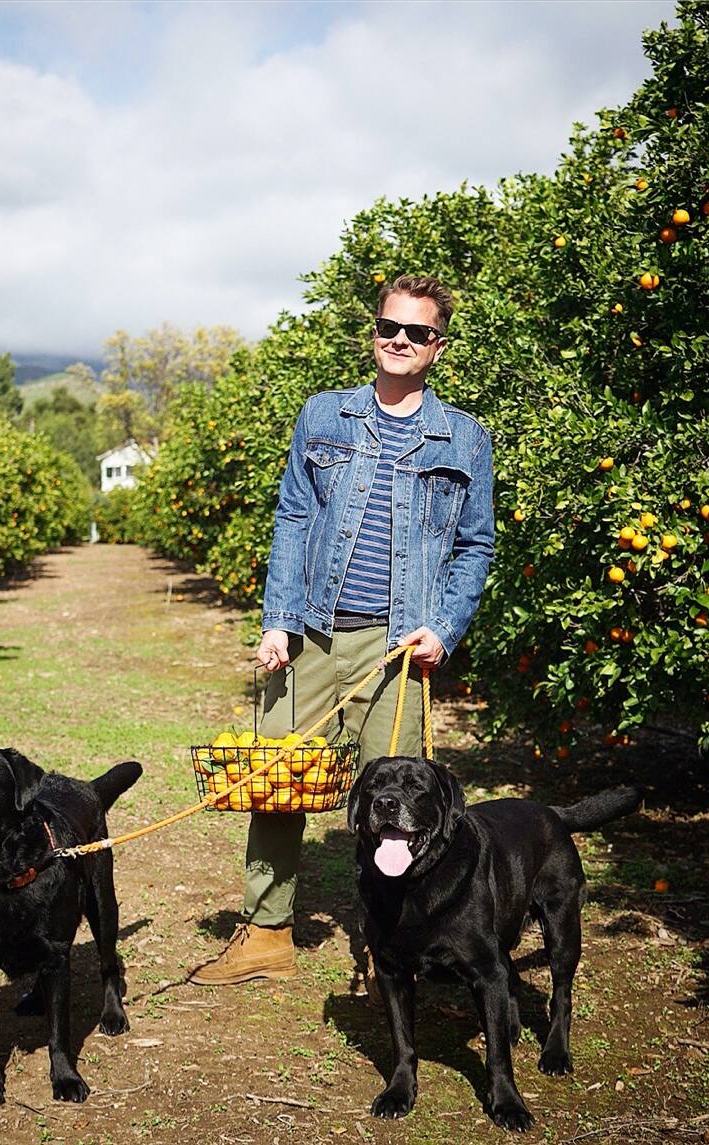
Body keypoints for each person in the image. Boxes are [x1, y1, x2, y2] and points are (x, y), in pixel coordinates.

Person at [190, 274, 495, 985]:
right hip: (314, 637)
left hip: (398, 648)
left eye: (417, 332)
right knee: (277, 781)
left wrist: (444, 627)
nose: (400, 340)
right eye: (390, 326)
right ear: (374, 333)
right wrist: (277, 620)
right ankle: (265, 934)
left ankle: (397, 940)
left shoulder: (463, 436)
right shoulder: (323, 415)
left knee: (403, 797)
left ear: (437, 347)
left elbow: (475, 545)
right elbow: (292, 518)